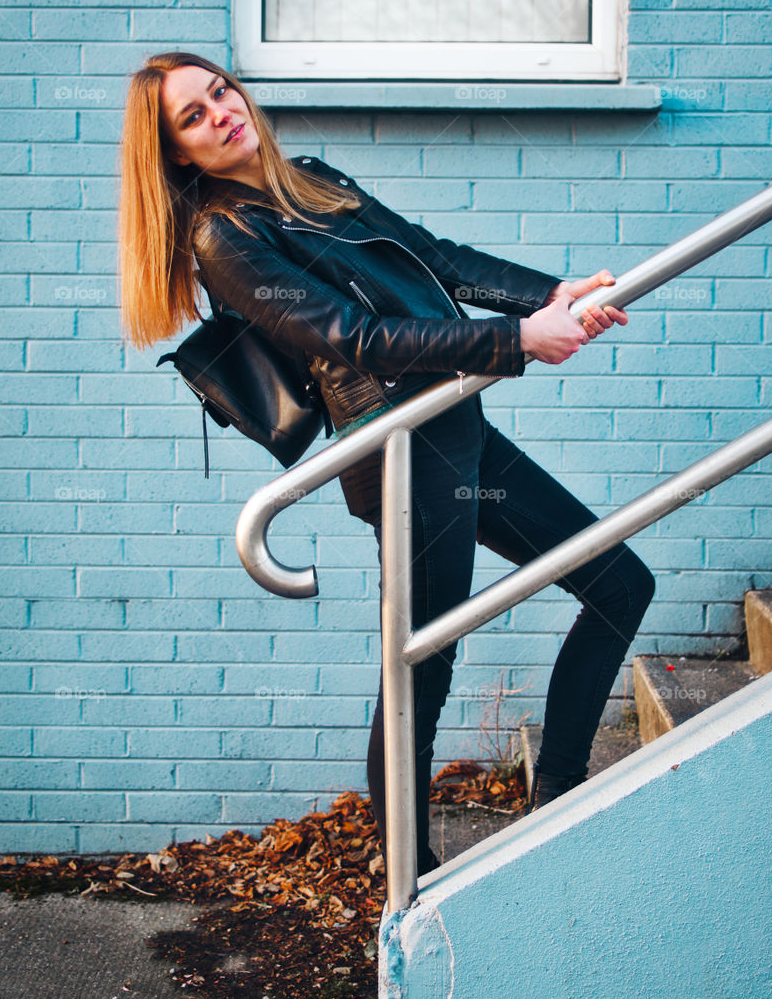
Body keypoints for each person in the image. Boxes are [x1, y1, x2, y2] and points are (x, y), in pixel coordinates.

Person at [117, 51, 655, 877]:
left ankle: (558, 797)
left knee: (619, 581)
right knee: (421, 667)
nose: (222, 112)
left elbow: (432, 257)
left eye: (220, 91)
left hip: (452, 424)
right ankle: (409, 880)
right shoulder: (224, 236)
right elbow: (354, 340)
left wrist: (548, 295)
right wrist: (517, 343)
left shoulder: (308, 179)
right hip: (399, 445)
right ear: (176, 154)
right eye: (192, 116)